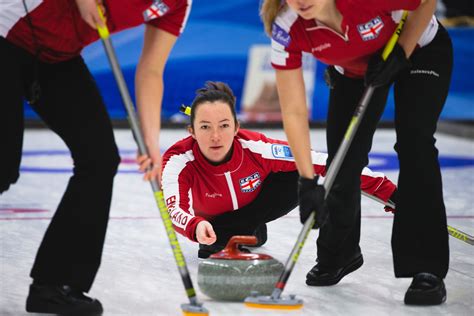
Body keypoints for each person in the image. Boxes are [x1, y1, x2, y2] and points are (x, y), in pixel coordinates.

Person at [0, 0, 191, 314]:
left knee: (99, 158)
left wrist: (150, 142)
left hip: (56, 57)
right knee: (2, 166)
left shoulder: (179, 5)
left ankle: (55, 286)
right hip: (7, 33)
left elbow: (151, 71)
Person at [261, 0, 452, 306]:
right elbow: (294, 111)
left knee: (414, 143)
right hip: (353, 71)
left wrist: (402, 49)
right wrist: (307, 181)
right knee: (342, 158)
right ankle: (341, 253)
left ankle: (425, 268)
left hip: (419, 49)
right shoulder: (286, 27)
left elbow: (426, 2)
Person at [155, 81, 398, 259]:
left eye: (224, 125)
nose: (216, 136)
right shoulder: (179, 160)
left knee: (300, 170)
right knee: (227, 239)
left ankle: (239, 230)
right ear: (192, 131)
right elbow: (173, 207)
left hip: (251, 211)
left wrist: (390, 193)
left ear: (237, 127)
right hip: (209, 223)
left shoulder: (257, 148)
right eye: (205, 127)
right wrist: (194, 225)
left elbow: (327, 163)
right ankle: (234, 234)